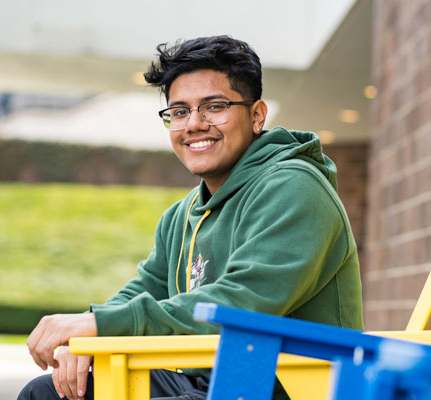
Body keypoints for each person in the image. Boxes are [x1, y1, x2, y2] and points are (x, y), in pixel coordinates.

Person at [18, 35, 363, 400]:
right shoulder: (181, 215)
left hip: (285, 388)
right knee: (47, 393)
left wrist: (99, 327)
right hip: (210, 383)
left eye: (214, 107)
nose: (194, 124)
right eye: (179, 112)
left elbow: (240, 305)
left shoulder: (295, 188)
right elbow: (147, 289)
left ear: (257, 115)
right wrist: (87, 336)